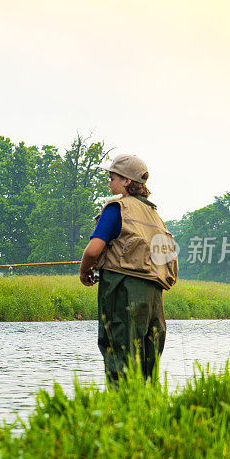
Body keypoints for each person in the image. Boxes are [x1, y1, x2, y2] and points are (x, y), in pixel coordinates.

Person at [79, 154, 178, 385]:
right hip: (154, 296)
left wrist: (85, 271)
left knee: (120, 352)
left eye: (112, 177)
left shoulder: (116, 209)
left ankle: (121, 414)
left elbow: (93, 251)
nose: (109, 182)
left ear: (126, 181)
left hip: (122, 289)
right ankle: (150, 412)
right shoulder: (155, 215)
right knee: (148, 359)